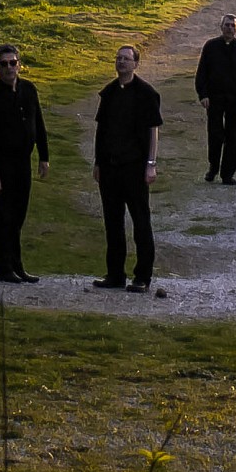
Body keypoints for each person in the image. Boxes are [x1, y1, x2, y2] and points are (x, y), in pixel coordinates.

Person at [0, 43, 50, 283]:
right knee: (2, 216)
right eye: (4, 64)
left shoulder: (29, 90)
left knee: (18, 214)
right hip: (2, 165)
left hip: (23, 163)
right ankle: (3, 268)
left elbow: (38, 123)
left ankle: (17, 266)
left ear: (19, 64)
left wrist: (44, 156)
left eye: (13, 63)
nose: (9, 68)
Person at [92, 44, 163, 292]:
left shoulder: (146, 93)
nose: (121, 62)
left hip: (134, 167)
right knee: (113, 223)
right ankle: (115, 274)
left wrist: (151, 164)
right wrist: (98, 163)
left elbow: (153, 130)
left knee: (141, 222)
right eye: (118, 58)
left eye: (126, 59)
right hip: (110, 169)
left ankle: (142, 276)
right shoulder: (109, 93)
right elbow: (101, 131)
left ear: (135, 63)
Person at [194, 13, 236, 185]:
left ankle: (227, 174)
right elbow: (202, 72)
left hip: (235, 99)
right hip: (214, 98)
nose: (229, 28)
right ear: (221, 27)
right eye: (226, 25)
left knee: (233, 136)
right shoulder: (211, 47)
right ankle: (213, 167)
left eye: (232, 26)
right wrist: (203, 94)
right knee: (215, 134)